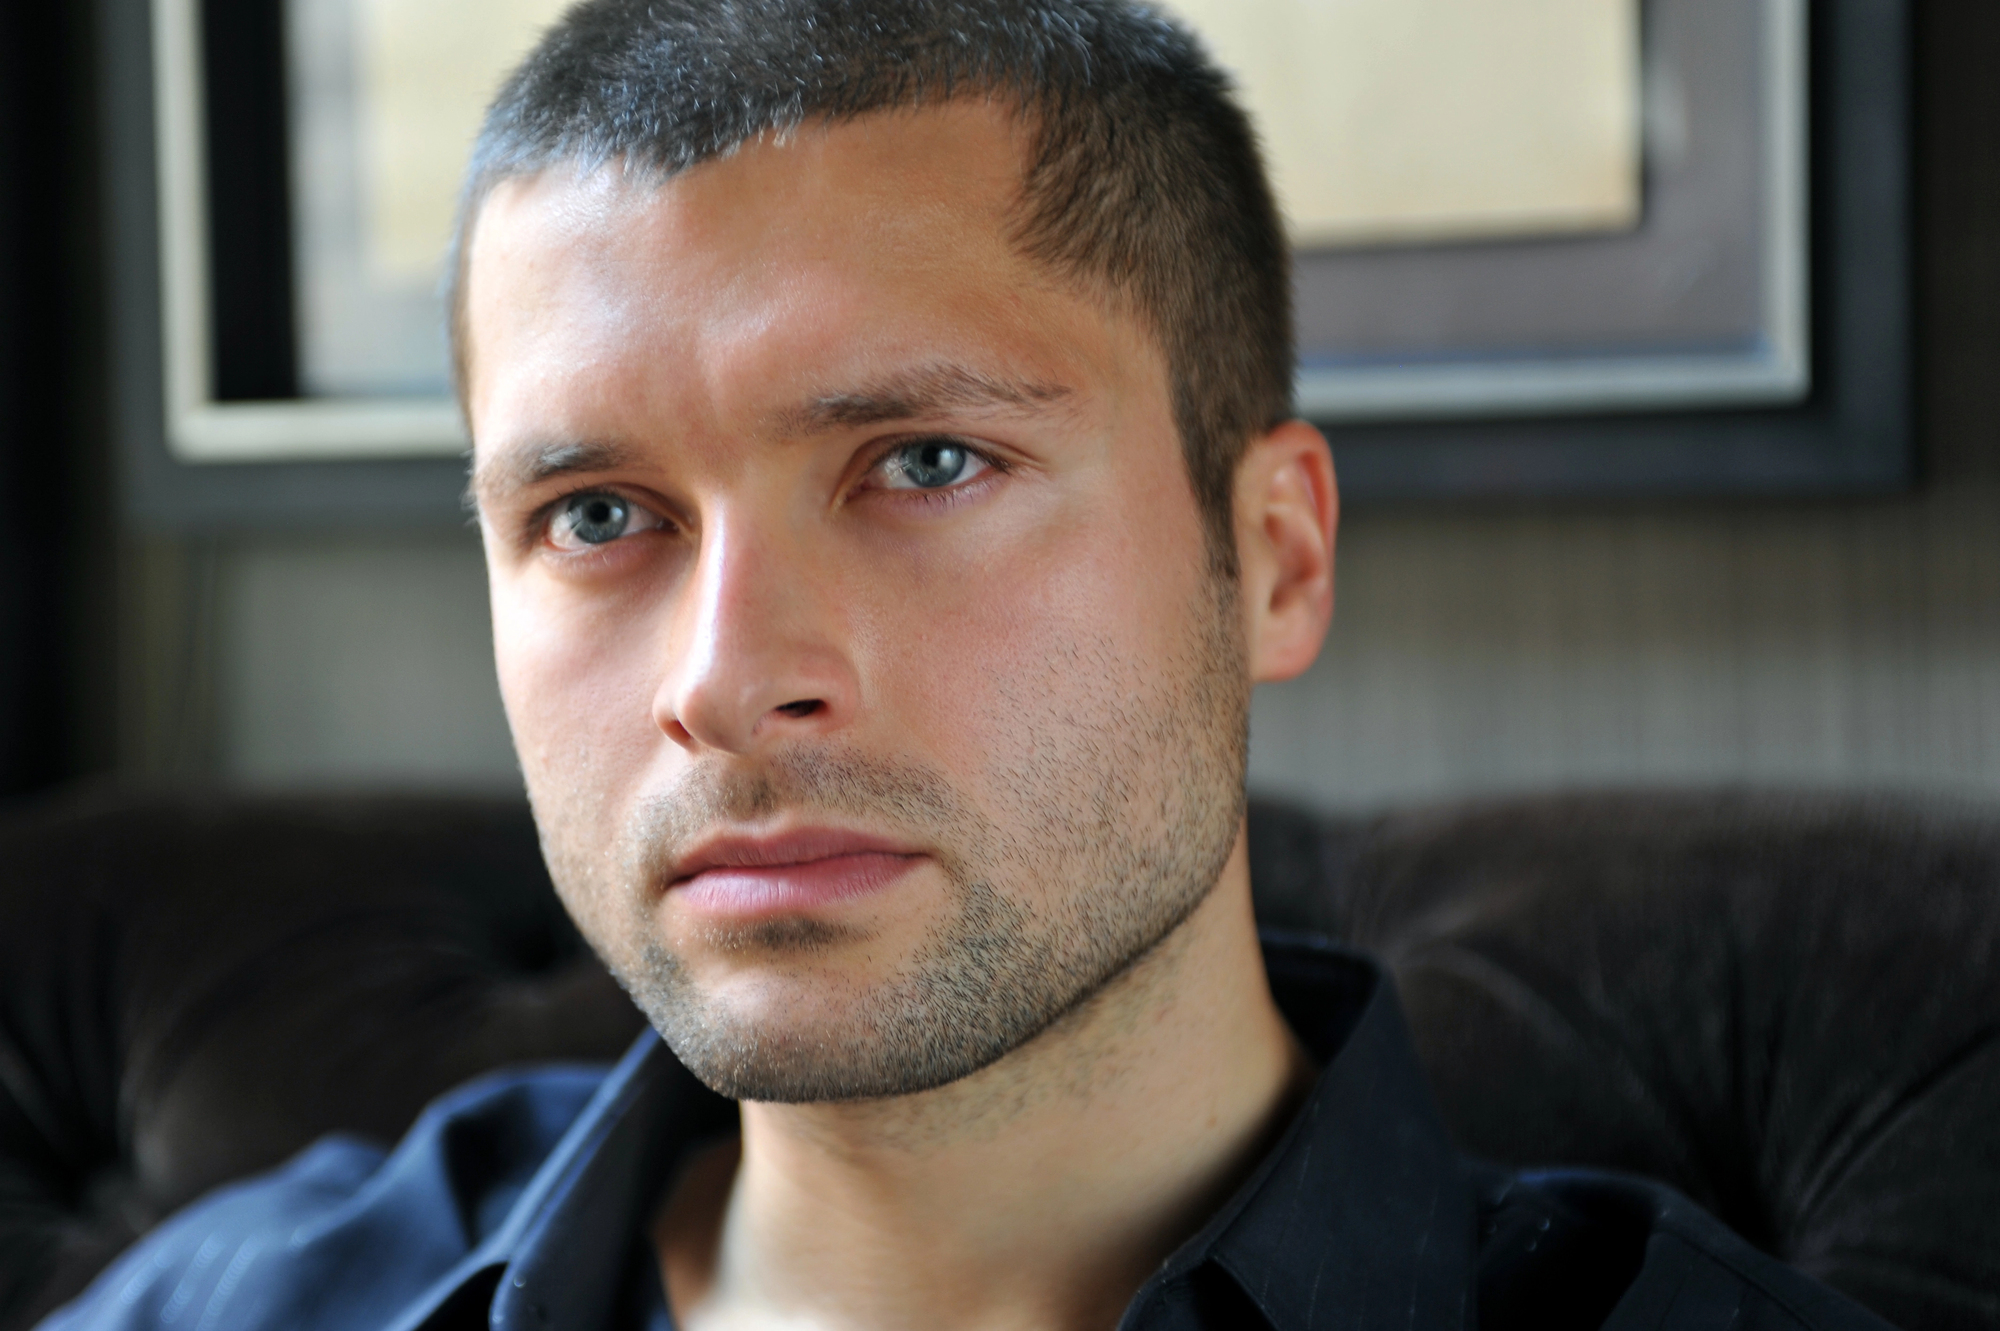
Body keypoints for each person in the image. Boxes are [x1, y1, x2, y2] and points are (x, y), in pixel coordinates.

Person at [44, 2, 1890, 1328]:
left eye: (925, 465)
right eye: (600, 517)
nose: (728, 676)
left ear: (1273, 557)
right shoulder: (249, 1298)